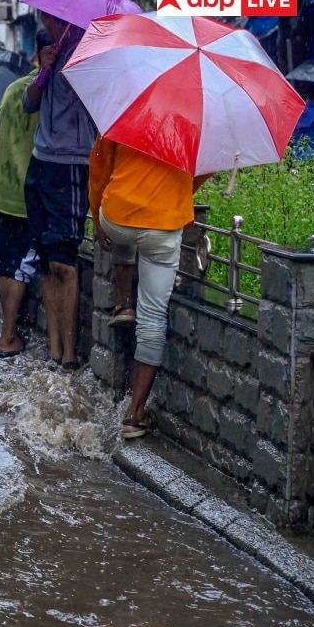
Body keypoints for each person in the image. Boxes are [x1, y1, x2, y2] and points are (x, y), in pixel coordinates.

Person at [90, 137, 211, 438]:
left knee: (122, 229)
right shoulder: (194, 128)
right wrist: (175, 192)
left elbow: (99, 171)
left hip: (118, 218)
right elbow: (204, 170)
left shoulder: (124, 110)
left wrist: (97, 218)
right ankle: (135, 414)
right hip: (163, 226)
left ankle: (123, 300)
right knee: (154, 319)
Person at [22, 10, 96, 372]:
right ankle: (53, 349)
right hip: (41, 161)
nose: (46, 20)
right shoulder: (50, 49)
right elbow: (28, 103)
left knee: (65, 261)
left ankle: (70, 355)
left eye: (51, 15)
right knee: (47, 262)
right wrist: (45, 68)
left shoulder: (90, 49)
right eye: (42, 15)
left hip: (71, 164)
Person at [0, 28, 55, 358]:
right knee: (20, 267)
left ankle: (6, 332)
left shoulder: (12, 89)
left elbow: (2, 141)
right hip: (28, 194)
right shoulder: (53, 94)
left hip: (1, 192)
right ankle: (8, 335)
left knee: (6, 264)